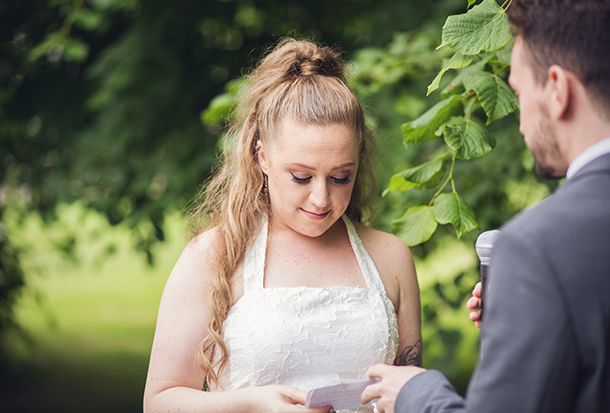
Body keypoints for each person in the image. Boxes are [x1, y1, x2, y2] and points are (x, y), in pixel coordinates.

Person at [361, 0, 610, 412]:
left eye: (518, 91)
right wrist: (532, 316)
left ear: (558, 89)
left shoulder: (539, 247)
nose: (519, 122)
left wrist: (416, 393)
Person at [143, 38, 422, 413]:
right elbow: (159, 401)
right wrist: (251, 405)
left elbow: (413, 396)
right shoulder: (216, 256)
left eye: (340, 177)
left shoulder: (390, 257)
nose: (322, 198)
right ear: (262, 157)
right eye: (301, 177)